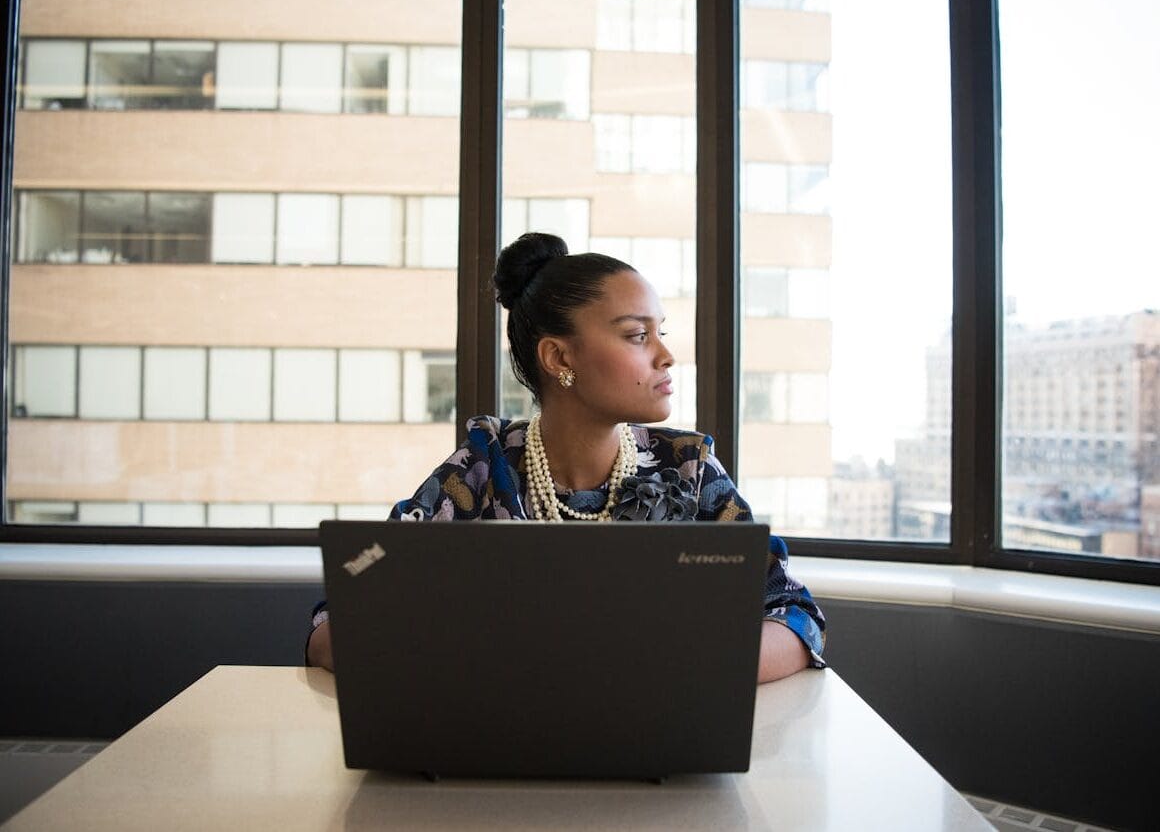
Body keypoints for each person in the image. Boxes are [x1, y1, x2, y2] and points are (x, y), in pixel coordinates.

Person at [307, 232, 825, 681]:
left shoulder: (689, 468)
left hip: (658, 755)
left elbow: (795, 615)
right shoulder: (483, 469)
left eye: (659, 333)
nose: (666, 356)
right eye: (637, 335)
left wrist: (676, 669)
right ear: (559, 357)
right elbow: (337, 619)